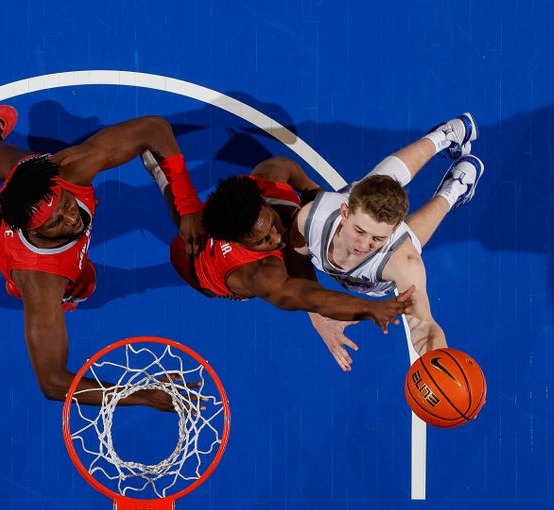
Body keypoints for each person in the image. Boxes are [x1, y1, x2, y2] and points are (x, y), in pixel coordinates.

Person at [0, 105, 206, 409]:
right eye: (57, 223)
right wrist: (142, 395)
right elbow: (52, 382)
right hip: (26, 261)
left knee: (23, 163)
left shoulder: (65, 171)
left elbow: (153, 127)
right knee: (83, 286)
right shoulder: (41, 282)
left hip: (34, 179)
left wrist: (188, 206)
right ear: (36, 231)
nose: (72, 219)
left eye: (67, 205)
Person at [143, 152, 418, 354]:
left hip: (218, 223)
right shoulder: (259, 274)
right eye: (262, 240)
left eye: (272, 223)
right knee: (185, 229)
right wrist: (370, 308)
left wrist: (320, 200)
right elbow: (309, 296)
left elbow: (288, 168)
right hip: (197, 271)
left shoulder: (269, 179)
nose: (276, 238)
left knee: (193, 216)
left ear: (262, 199)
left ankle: (165, 180)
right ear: (240, 240)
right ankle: (163, 179)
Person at [290, 113, 484, 370]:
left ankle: (454, 189)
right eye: (359, 231)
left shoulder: (403, 261)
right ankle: (444, 136)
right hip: (354, 215)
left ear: (394, 229)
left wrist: (438, 364)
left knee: (412, 241)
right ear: (345, 213)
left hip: (382, 274)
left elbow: (424, 324)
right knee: (376, 184)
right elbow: (296, 262)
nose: (365, 244)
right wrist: (318, 318)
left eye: (378, 238)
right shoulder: (312, 219)